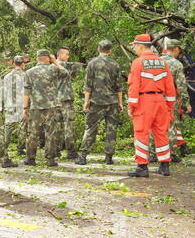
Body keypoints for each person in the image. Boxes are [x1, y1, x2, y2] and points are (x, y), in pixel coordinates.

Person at [126, 34, 176, 177]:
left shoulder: (138, 62)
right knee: (161, 133)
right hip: (160, 101)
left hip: (144, 101)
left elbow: (134, 86)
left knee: (141, 133)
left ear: (141, 46)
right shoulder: (162, 62)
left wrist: (131, 106)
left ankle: (142, 167)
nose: (134, 49)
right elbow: (170, 87)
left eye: (135, 46)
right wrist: (169, 106)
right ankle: (164, 166)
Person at [76, 40, 123, 165]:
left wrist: (86, 102)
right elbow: (119, 86)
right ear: (110, 50)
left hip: (96, 101)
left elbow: (88, 86)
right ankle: (108, 157)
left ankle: (83, 156)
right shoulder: (115, 65)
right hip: (112, 101)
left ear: (98, 49)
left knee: (91, 128)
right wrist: (120, 103)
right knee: (111, 129)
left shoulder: (92, 64)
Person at [22, 50, 69, 167]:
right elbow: (66, 74)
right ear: (48, 58)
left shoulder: (29, 72)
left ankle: (30, 158)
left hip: (36, 107)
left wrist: (24, 107)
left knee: (33, 133)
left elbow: (26, 91)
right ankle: (50, 159)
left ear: (38, 58)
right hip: (51, 107)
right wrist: (55, 62)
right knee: (51, 133)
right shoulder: (53, 69)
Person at [149, 39, 191, 162]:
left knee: (155, 125)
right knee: (171, 125)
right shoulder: (177, 64)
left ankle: (152, 153)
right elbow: (181, 85)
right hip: (170, 99)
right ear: (176, 49)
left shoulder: (157, 62)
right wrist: (186, 103)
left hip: (154, 98)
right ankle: (170, 153)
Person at [55, 46, 85, 159]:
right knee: (69, 125)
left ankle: (56, 150)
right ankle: (71, 151)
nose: (68, 57)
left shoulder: (51, 66)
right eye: (66, 54)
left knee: (57, 126)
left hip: (55, 100)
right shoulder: (62, 65)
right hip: (65, 99)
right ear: (60, 55)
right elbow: (76, 66)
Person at [4, 55, 28, 156]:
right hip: (22, 106)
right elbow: (27, 92)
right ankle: (20, 149)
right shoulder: (26, 76)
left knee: (8, 128)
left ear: (14, 64)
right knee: (22, 128)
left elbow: (4, 92)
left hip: (9, 105)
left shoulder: (7, 76)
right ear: (22, 64)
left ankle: (4, 148)